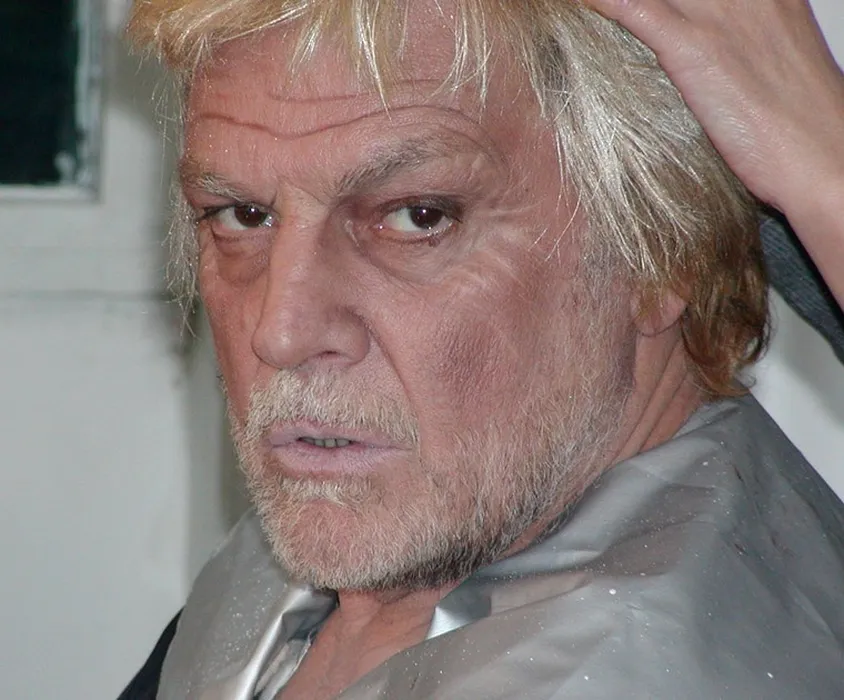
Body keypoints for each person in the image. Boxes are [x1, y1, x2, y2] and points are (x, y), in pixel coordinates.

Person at [120, 0, 844, 698]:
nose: (280, 333)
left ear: (663, 248)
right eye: (243, 215)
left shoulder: (689, 666)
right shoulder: (339, 570)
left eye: (417, 217)